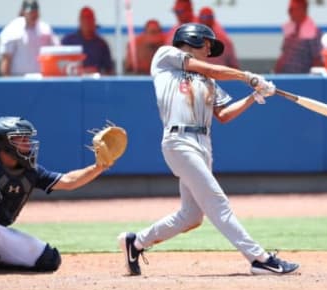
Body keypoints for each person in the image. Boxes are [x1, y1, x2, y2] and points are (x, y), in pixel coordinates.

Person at [117, 23, 299, 276]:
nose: (209, 49)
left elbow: (223, 114)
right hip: (179, 140)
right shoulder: (165, 56)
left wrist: (254, 96)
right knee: (217, 203)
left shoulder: (209, 81)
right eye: (206, 43)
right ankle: (260, 258)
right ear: (190, 39)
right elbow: (212, 68)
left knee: (191, 216)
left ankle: (135, 242)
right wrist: (248, 77)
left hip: (203, 144)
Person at [0, 116, 111, 276]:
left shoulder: (30, 171)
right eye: (21, 138)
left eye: (28, 137)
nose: (28, 142)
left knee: (49, 260)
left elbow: (68, 181)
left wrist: (98, 167)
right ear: (4, 142)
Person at [0, 0, 59, 76]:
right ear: (23, 12)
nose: (33, 15)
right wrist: (8, 82)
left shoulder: (45, 29)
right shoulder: (12, 30)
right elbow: (6, 59)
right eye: (30, 12)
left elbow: (57, 50)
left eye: (35, 12)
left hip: (41, 79)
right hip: (18, 79)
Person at [62, 6, 114, 75]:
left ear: (94, 21)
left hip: (96, 82)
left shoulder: (102, 44)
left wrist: (97, 73)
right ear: (79, 20)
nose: (87, 22)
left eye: (89, 18)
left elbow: (109, 70)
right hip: (73, 81)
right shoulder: (68, 41)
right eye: (84, 18)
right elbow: (61, 66)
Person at [274, 0, 323, 73]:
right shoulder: (290, 28)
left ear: (302, 9)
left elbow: (317, 60)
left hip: (301, 80)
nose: (289, 12)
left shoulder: (312, 31)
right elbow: (284, 55)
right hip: (285, 77)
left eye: (292, 9)